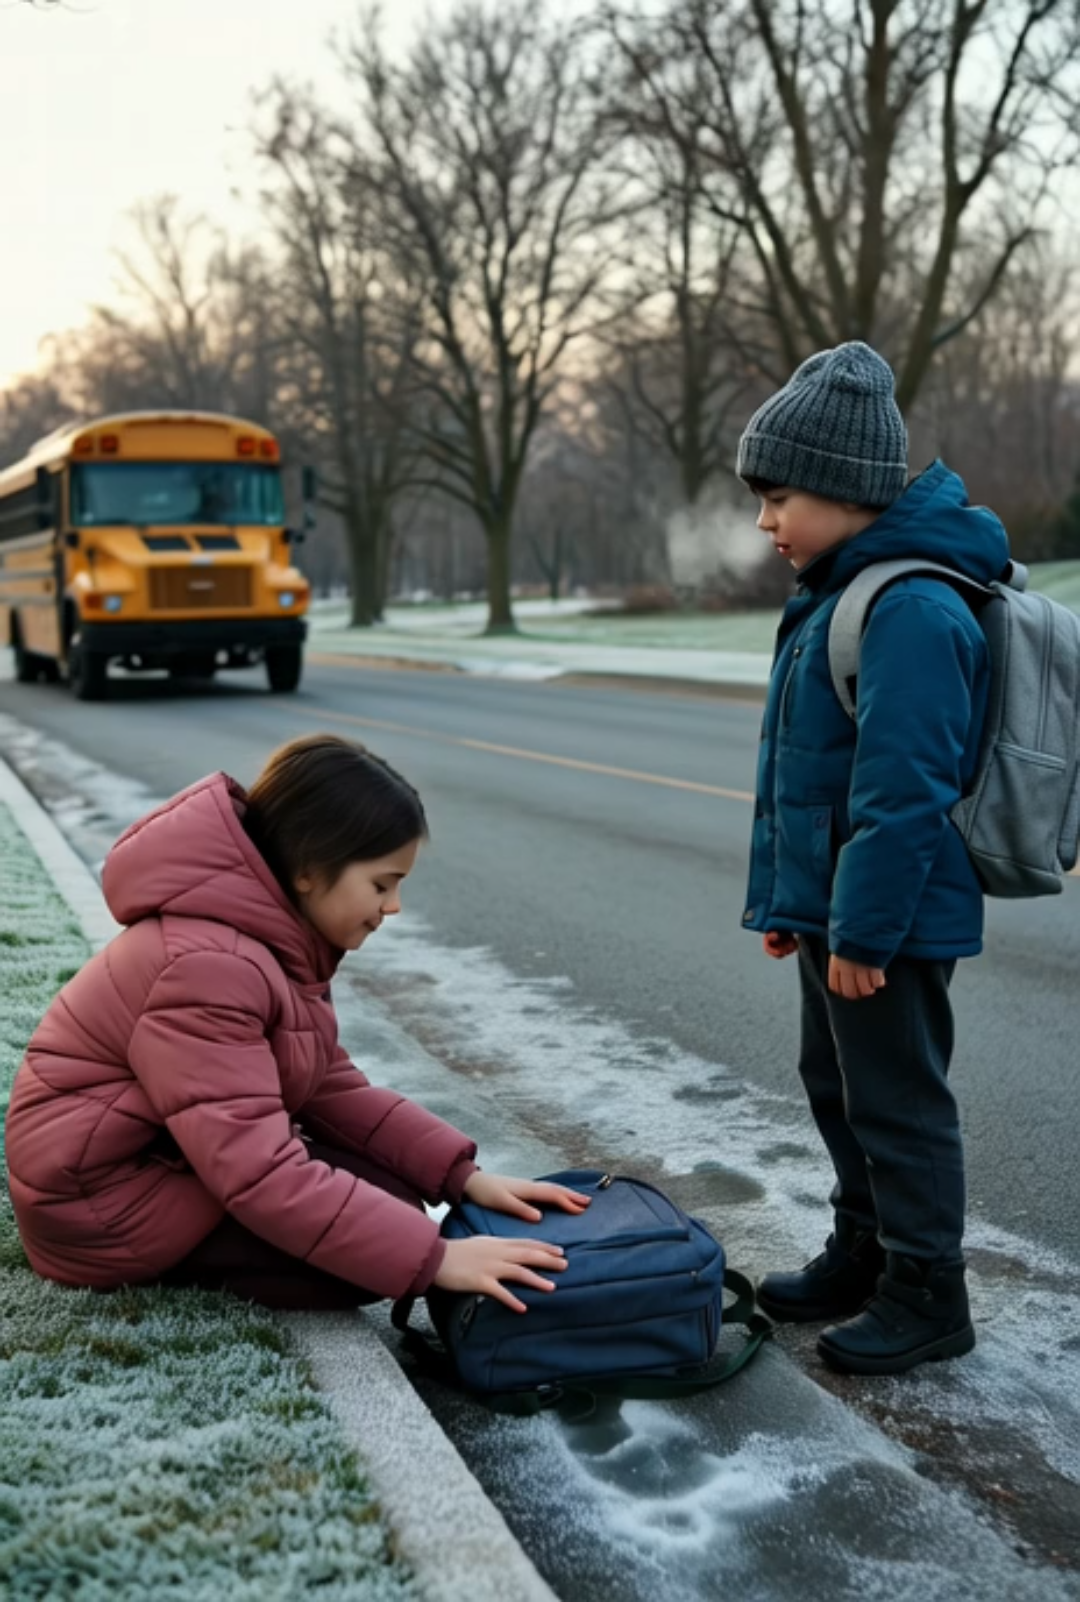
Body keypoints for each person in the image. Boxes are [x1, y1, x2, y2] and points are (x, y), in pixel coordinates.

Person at [6, 733, 588, 1312]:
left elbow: (331, 1088)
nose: (393, 907)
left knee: (391, 1200)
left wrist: (462, 1178)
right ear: (310, 867)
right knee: (365, 1269)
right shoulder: (211, 968)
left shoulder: (271, 939)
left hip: (166, 1157)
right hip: (104, 1205)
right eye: (382, 884)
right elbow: (256, 1170)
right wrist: (436, 1260)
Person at [736, 341, 1009, 1376]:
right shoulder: (841, 592)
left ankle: (927, 1291)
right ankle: (864, 1249)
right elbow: (810, 775)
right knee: (836, 1081)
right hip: (841, 910)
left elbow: (903, 796)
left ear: (846, 489)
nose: (766, 522)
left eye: (778, 497)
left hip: (886, 915)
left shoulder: (912, 607)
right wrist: (793, 904)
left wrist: (861, 928)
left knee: (896, 1095)